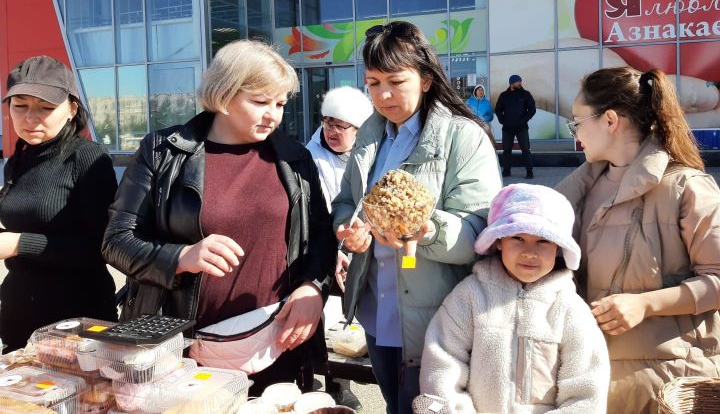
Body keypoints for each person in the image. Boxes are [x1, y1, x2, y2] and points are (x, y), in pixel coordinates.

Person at [102, 40, 336, 395]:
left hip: (274, 343)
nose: (272, 114)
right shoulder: (163, 152)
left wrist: (313, 289)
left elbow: (321, 236)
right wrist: (180, 257)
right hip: (180, 348)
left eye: (281, 103)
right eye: (260, 101)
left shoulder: (294, 158)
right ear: (223, 95)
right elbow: (117, 240)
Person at [333, 21, 502, 414]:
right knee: (396, 406)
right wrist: (348, 230)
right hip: (378, 314)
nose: (383, 94)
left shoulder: (463, 137)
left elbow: (481, 234)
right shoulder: (371, 136)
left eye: (396, 80)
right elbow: (346, 202)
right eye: (373, 83)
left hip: (438, 321)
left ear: (426, 79)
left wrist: (426, 229)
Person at [556, 66, 720, 414]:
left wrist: (645, 304)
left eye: (577, 122)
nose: (575, 134)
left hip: (669, 384)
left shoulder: (687, 187)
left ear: (610, 120)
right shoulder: (578, 191)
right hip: (593, 379)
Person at [420, 183, 609, 413]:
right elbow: (442, 363)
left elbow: (586, 391)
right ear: (498, 241)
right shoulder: (469, 296)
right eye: (517, 238)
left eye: (543, 240)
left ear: (559, 248)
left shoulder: (570, 309)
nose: (530, 251)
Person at [0, 55, 118, 351]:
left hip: (78, 326)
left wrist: (17, 244)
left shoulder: (89, 159)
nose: (30, 118)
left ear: (72, 109)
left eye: (46, 107)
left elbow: (103, 249)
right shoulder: (15, 162)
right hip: (18, 321)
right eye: (20, 106)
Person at [306, 86, 373, 411]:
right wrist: (331, 251)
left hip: (364, 242)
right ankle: (333, 382)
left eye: (340, 125)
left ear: (358, 128)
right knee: (323, 314)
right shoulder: (310, 156)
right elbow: (312, 213)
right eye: (327, 122)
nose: (331, 131)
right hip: (323, 246)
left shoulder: (372, 150)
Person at [495, 74, 536, 179]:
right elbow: (498, 109)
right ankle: (506, 170)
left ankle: (529, 171)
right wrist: (503, 120)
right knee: (506, 150)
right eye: (518, 81)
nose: (520, 83)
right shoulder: (504, 95)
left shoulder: (525, 94)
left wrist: (524, 120)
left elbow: (532, 109)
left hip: (521, 128)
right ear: (512, 83)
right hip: (507, 128)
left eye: (520, 81)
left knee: (525, 149)